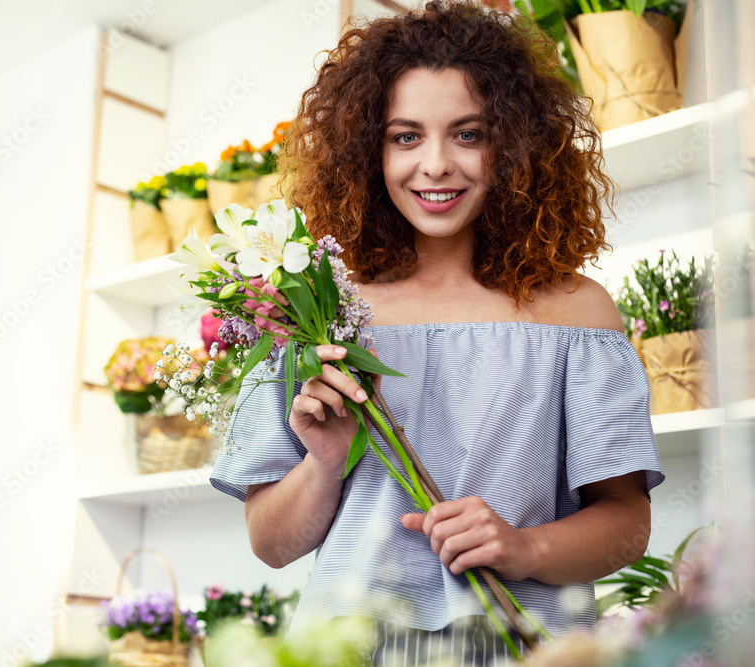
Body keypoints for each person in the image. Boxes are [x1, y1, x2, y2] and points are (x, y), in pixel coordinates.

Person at [209, 2, 665, 664]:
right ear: (368, 149)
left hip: (519, 645)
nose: (436, 165)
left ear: (514, 145)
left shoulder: (578, 312)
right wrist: (325, 462)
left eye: (469, 134)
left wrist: (524, 546)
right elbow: (272, 543)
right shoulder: (313, 308)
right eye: (405, 136)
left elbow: (628, 525)